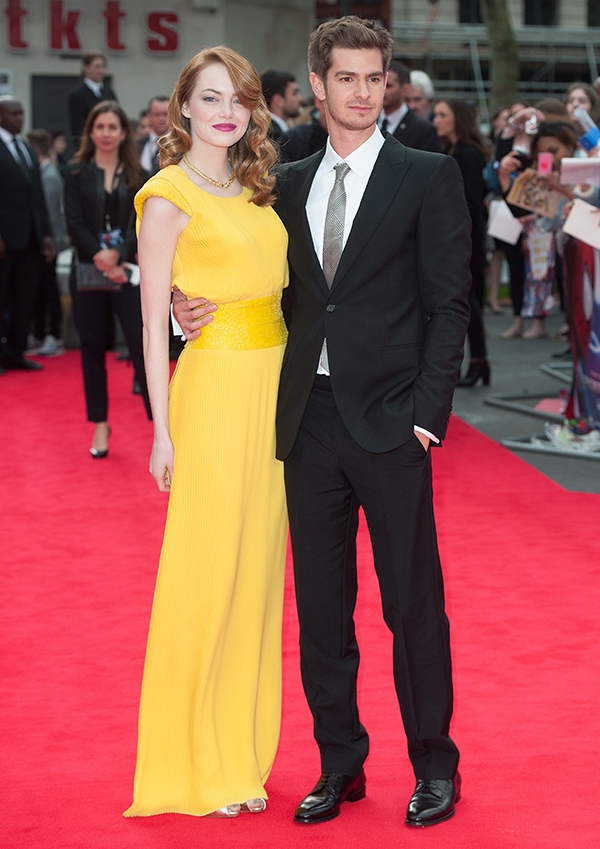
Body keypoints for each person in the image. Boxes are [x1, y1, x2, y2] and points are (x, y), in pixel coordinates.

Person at [174, 15, 471, 828]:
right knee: (322, 611)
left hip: (394, 422)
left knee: (413, 604)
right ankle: (341, 763)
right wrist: (179, 304)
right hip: (308, 422)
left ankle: (434, 766)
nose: (364, 92)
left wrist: (427, 417)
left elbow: (452, 305)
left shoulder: (427, 175)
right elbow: (249, 277)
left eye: (376, 77)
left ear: (388, 82)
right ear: (317, 84)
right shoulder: (287, 183)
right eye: (347, 77)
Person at [123, 46, 289, 820]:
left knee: (257, 575)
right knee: (210, 572)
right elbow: (154, 324)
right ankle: (198, 756)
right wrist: (162, 430)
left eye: (240, 98)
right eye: (211, 96)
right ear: (183, 105)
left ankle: (241, 749)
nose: (227, 110)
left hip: (277, 397)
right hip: (216, 395)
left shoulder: (257, 187)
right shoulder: (167, 196)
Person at [64, 101, 151, 457]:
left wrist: (118, 255)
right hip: (88, 271)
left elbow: (141, 223)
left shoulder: (138, 176)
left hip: (126, 272)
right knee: (92, 351)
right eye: (99, 127)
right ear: (90, 131)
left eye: (112, 127)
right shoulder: (74, 172)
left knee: (142, 347)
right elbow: (74, 223)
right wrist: (102, 257)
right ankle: (100, 425)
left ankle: (161, 426)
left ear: (123, 132)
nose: (105, 133)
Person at [433, 97, 491, 386]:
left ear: (458, 118)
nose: (436, 120)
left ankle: (479, 362)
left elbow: (469, 202)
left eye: (442, 115)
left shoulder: (466, 154)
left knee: (469, 303)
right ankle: (478, 362)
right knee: (468, 302)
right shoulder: (453, 150)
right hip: (461, 237)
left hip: (466, 239)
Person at [0, 96, 55, 374]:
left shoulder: (25, 147)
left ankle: (17, 352)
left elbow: (37, 196)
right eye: (13, 113)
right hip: (4, 241)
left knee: (26, 297)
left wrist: (46, 234)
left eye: (21, 113)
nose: (19, 118)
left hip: (31, 239)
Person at [26, 128, 67, 357]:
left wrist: (50, 242)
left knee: (50, 290)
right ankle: (41, 333)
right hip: (44, 244)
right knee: (41, 289)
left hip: (51, 244)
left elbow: (52, 214)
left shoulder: (49, 175)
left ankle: (55, 335)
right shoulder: (42, 172)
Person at [379, 60, 441, 152]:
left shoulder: (424, 130)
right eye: (377, 84)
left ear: (405, 89)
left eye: (388, 86)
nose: (381, 90)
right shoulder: (367, 121)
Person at [68, 50, 117, 148]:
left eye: (103, 67)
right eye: (97, 67)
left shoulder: (108, 93)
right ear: (86, 68)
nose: (101, 71)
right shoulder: (78, 94)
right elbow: (77, 126)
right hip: (90, 146)